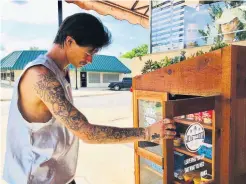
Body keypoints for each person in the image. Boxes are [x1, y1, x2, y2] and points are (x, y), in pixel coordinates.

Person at [3, 13, 176, 184]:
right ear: (69, 41)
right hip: (34, 177)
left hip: (57, 173)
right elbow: (87, 133)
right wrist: (146, 133)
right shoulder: (40, 76)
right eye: (89, 52)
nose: (90, 59)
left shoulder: (61, 72)